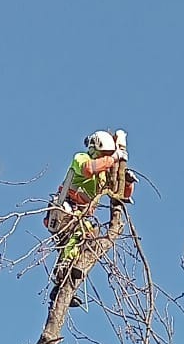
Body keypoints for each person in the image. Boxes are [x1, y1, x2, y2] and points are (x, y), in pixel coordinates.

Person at [47, 130, 134, 305]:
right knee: (78, 234)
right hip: (66, 208)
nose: (106, 158)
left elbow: (119, 194)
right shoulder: (81, 158)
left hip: (80, 215)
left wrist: (127, 181)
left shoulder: (103, 175)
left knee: (90, 235)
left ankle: (66, 286)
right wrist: (114, 158)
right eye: (104, 155)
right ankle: (62, 271)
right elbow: (88, 169)